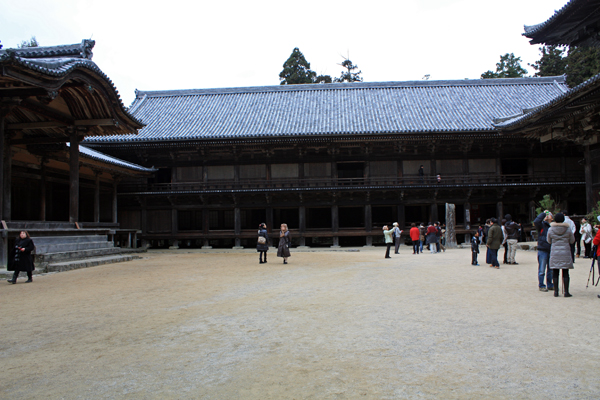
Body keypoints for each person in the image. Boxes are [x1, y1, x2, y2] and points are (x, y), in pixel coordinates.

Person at [547, 213, 575, 297]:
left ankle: (556, 291)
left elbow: (548, 240)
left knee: (555, 272)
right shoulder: (568, 229)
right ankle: (566, 291)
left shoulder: (551, 229)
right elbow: (572, 240)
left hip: (555, 251)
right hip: (565, 251)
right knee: (565, 272)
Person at [533, 211, 554, 292]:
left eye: (549, 215)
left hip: (551, 248)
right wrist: (543, 213)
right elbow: (536, 221)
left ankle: (550, 284)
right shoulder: (541, 225)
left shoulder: (553, 226)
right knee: (542, 268)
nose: (548, 216)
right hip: (542, 248)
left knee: (551, 269)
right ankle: (541, 284)